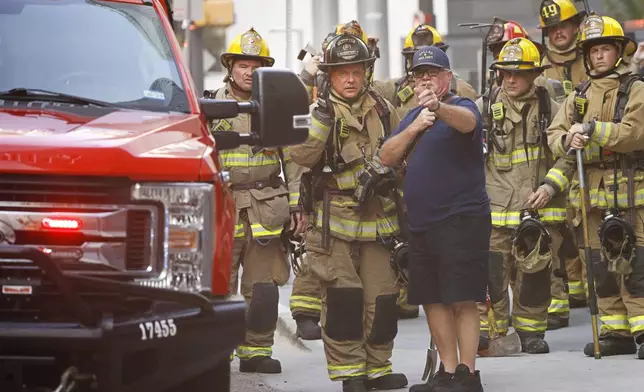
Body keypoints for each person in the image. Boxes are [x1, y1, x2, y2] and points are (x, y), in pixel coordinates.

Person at [289, 33, 408, 392]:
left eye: (356, 71)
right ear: (331, 76)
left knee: (383, 302)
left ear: (367, 72)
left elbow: (407, 150)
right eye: (342, 73)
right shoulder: (319, 112)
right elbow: (302, 157)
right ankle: (351, 374)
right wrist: (321, 120)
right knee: (342, 303)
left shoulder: (385, 110)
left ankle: (378, 369)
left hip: (380, 225)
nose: (350, 79)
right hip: (334, 229)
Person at [379, 45, 490, 392]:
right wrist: (415, 126)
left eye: (432, 73)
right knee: (432, 298)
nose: (425, 79)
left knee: (462, 297)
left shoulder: (460, 106)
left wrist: (438, 108)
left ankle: (468, 375)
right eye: (419, 74)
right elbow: (386, 156)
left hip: (461, 219)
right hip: (422, 223)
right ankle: (447, 370)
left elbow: (469, 124)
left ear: (447, 78)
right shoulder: (412, 117)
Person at [205, 27, 308, 373]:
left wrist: (297, 206)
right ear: (230, 67)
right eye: (243, 65)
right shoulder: (209, 105)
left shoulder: (275, 108)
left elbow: (292, 161)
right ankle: (215, 352)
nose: (249, 72)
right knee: (217, 287)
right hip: (222, 206)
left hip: (267, 207)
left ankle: (256, 352)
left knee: (262, 288)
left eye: (256, 65)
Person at [546, 13, 644, 359]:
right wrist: (567, 140)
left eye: (605, 48)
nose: (598, 55)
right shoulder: (579, 96)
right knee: (598, 264)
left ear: (618, 52)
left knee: (635, 262)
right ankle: (615, 330)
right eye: (593, 50)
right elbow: (553, 135)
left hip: (630, 191)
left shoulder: (635, 90)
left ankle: (643, 329)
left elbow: (634, 133)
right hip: (590, 195)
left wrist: (591, 131)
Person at [476, 37, 568, 355]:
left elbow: (568, 155)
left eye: (518, 73)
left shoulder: (550, 107)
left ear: (534, 74)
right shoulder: (484, 108)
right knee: (492, 272)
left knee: (535, 274)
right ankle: (492, 330)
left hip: (537, 209)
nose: (510, 79)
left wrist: (550, 187)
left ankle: (530, 331)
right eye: (505, 73)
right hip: (496, 211)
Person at [538, 0, 591, 328]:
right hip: (557, 158)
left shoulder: (594, 56)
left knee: (589, 227)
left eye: (564, 26)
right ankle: (563, 296)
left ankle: (591, 290)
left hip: (594, 155)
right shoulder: (539, 66)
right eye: (552, 29)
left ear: (576, 26)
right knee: (558, 229)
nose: (559, 33)